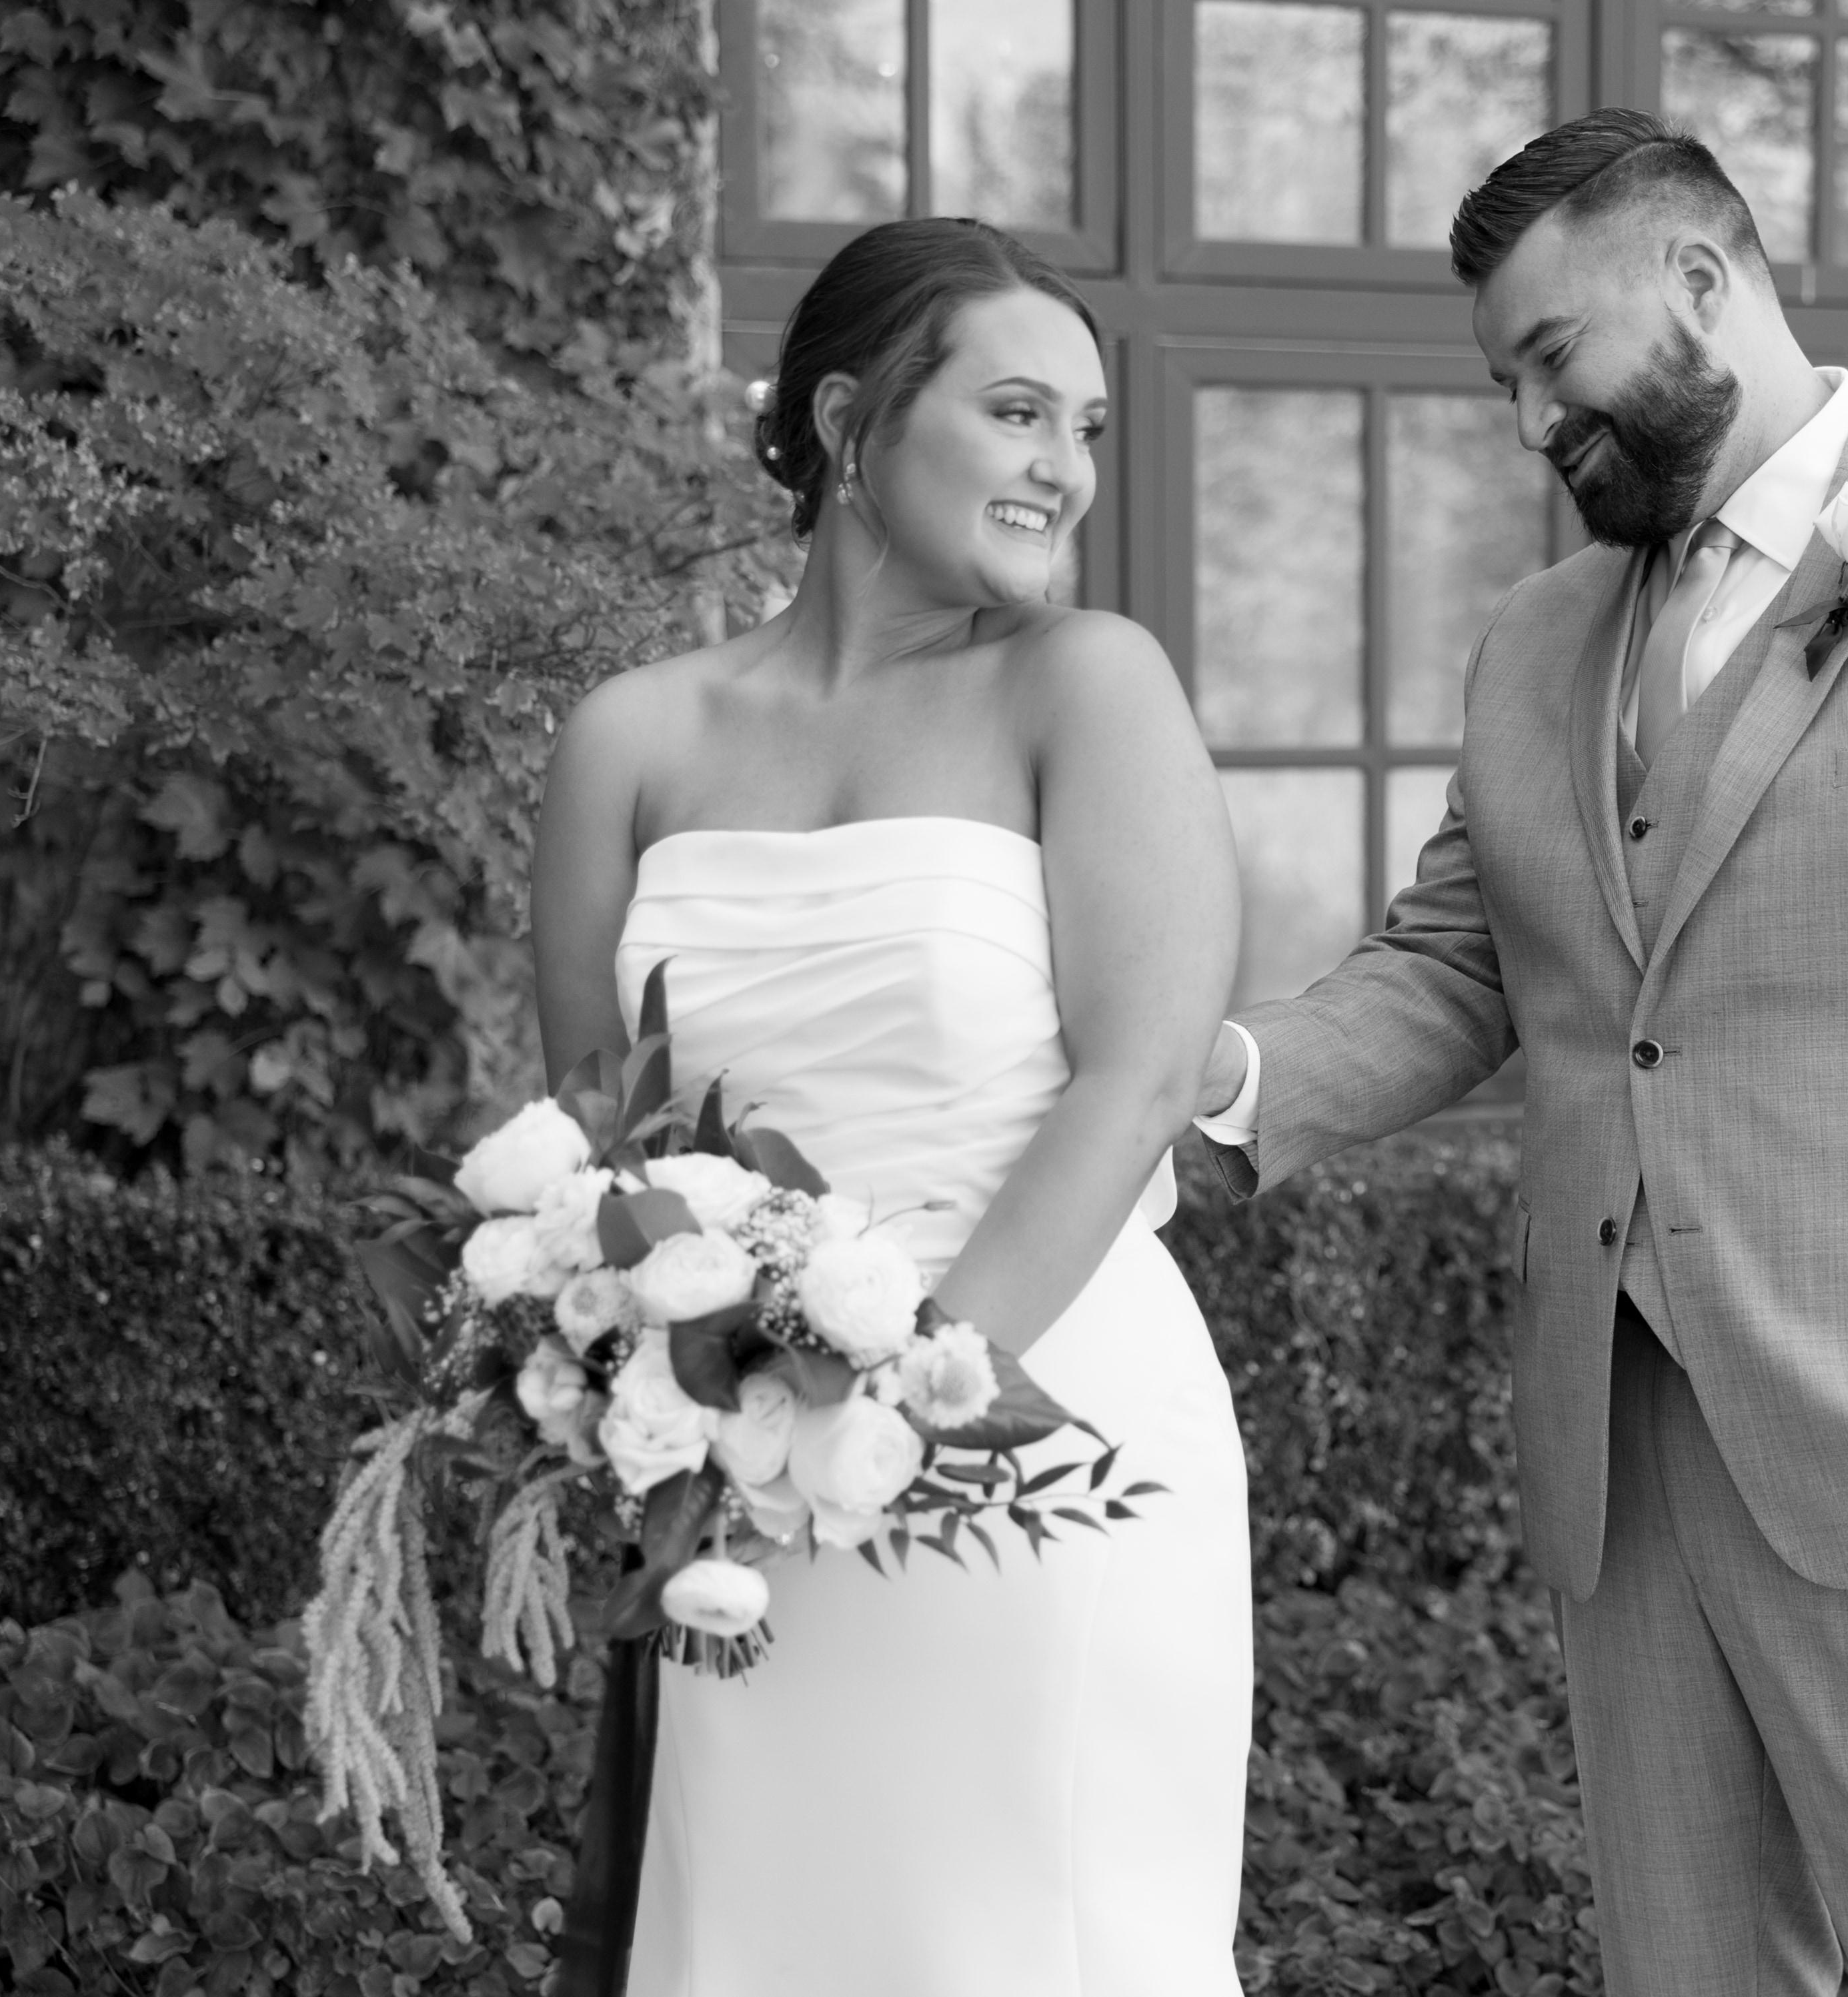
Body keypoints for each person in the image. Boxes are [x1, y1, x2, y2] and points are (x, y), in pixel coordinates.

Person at [1192, 110, 1848, 1995]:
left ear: (1701, 281)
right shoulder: (1541, 637)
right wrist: (1206, 1096)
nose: (1531, 422)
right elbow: (1456, 962)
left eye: (1553, 357)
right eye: (1506, 383)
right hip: (1625, 1443)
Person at [530, 217, 1250, 1997]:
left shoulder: (1087, 684)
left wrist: (913, 1392)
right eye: (1018, 412)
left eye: (1087, 428)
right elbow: (599, 1131)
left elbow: (1141, 1077)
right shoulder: (630, 737)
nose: (1066, 468)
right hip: (743, 1463)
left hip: (1045, 1426)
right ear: (851, 422)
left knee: (1038, 1937)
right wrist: (693, 1401)